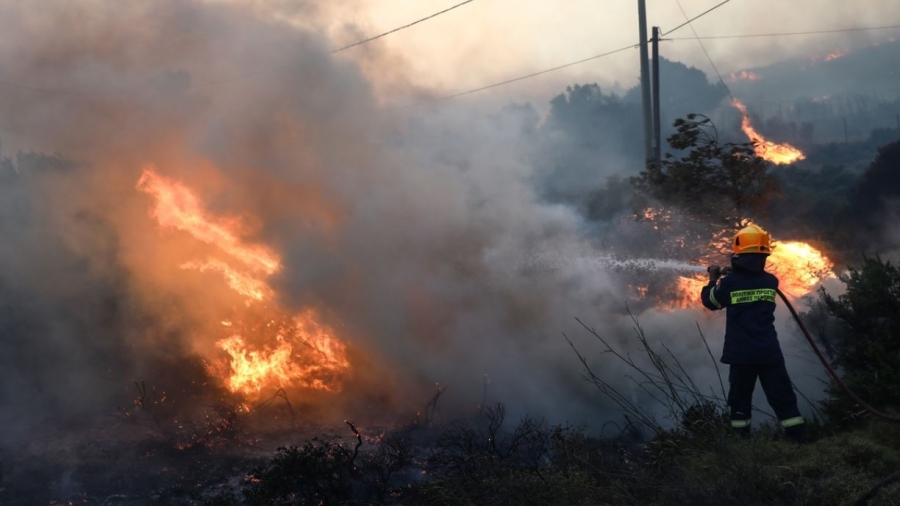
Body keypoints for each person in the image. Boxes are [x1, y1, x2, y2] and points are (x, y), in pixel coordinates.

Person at [700, 224, 806, 442]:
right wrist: (735, 273)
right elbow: (750, 278)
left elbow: (711, 302)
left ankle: (742, 444)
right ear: (763, 256)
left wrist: (712, 279)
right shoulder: (770, 282)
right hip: (769, 352)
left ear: (737, 256)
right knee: (784, 399)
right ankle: (799, 443)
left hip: (741, 355)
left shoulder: (729, 283)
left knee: (740, 403)